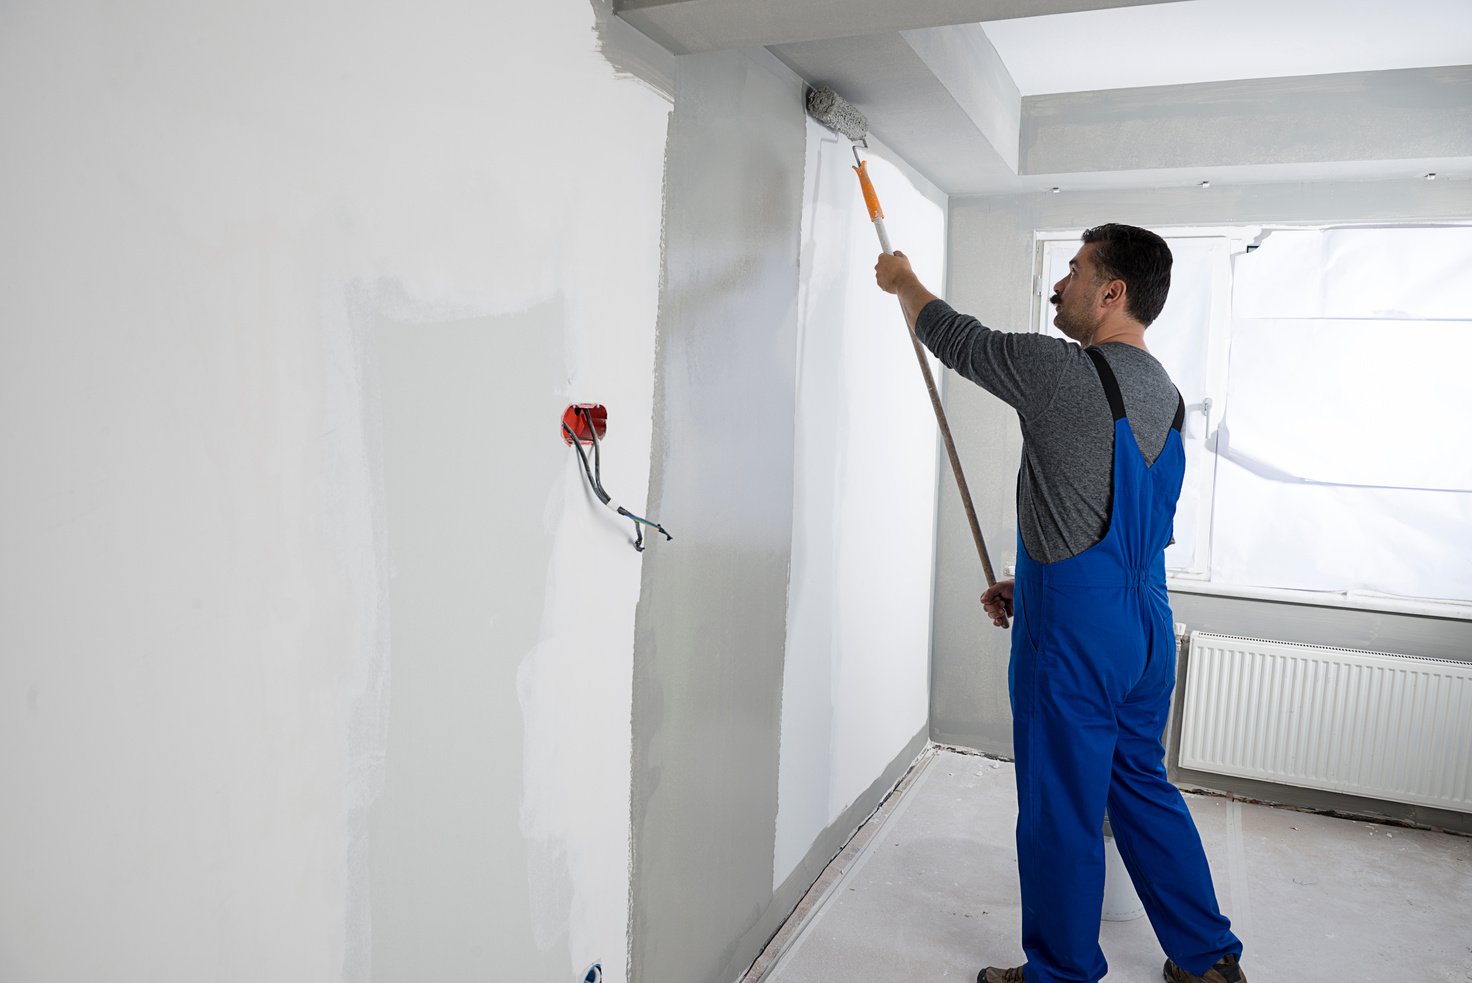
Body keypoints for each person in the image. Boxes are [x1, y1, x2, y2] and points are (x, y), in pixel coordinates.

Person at [874, 224, 1246, 983]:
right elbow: (1114, 515)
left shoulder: (1058, 370)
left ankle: (1063, 972)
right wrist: (1032, 584)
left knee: (1059, 806)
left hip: (1077, 638)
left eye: (1073, 271)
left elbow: (953, 336)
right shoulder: (1169, 398)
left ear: (1113, 292)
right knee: (1141, 785)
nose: (1058, 284)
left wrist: (902, 279)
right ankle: (1208, 957)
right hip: (1145, 627)